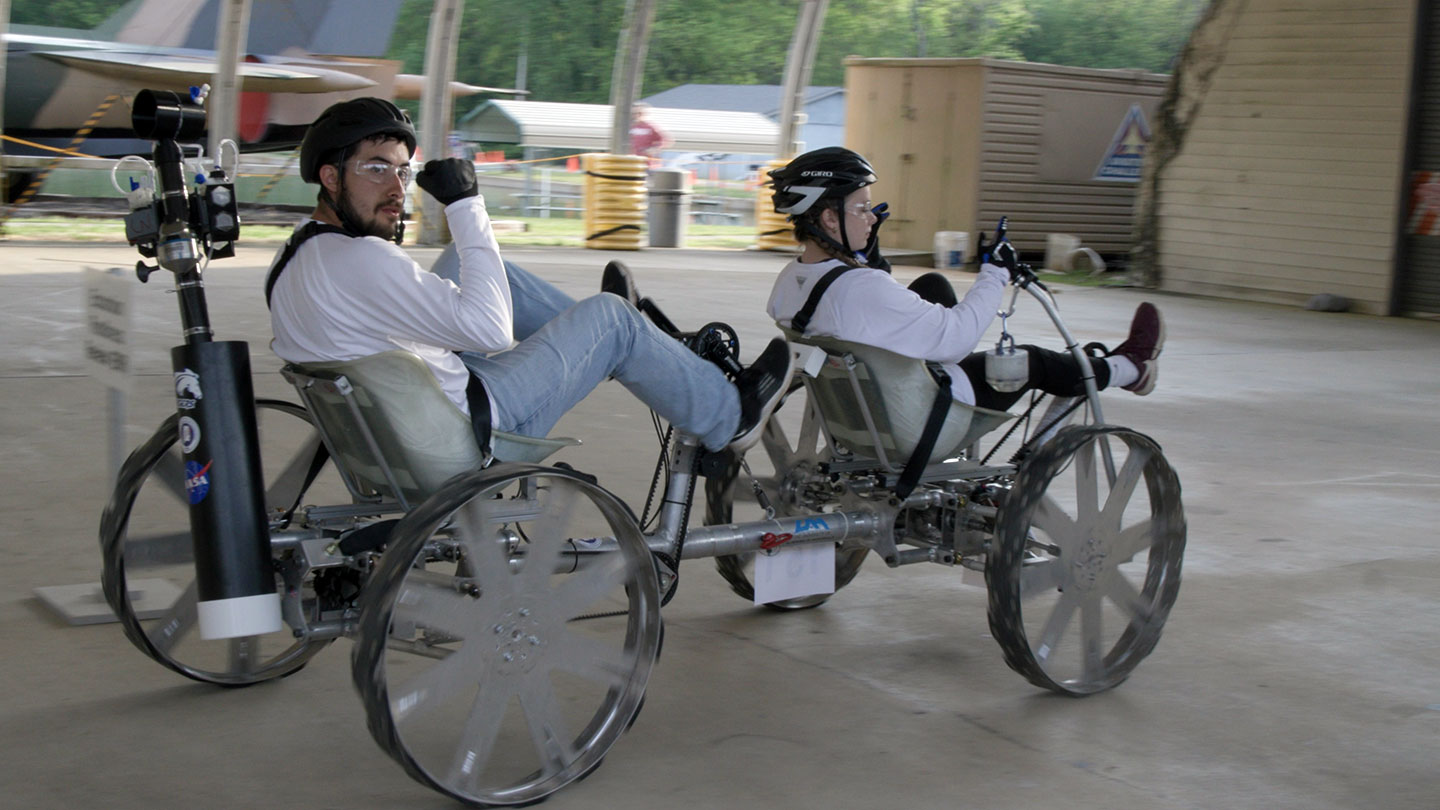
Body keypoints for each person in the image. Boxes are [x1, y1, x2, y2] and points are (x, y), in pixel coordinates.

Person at [265, 97, 793, 456]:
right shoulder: (365, 260)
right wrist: (467, 206)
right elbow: (491, 332)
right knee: (612, 320)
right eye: (376, 168)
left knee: (459, 268)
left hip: (405, 425)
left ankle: (644, 347)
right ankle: (727, 416)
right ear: (331, 178)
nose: (397, 188)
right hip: (471, 429)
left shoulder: (295, 262)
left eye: (402, 171)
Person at [763, 146, 1164, 415]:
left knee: (933, 286)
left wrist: (866, 257)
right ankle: (1131, 368)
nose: (871, 217)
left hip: (866, 405)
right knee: (1035, 361)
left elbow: (861, 306)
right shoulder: (862, 290)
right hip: (923, 411)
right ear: (829, 218)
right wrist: (995, 272)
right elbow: (958, 339)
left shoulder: (789, 283)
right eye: (862, 209)